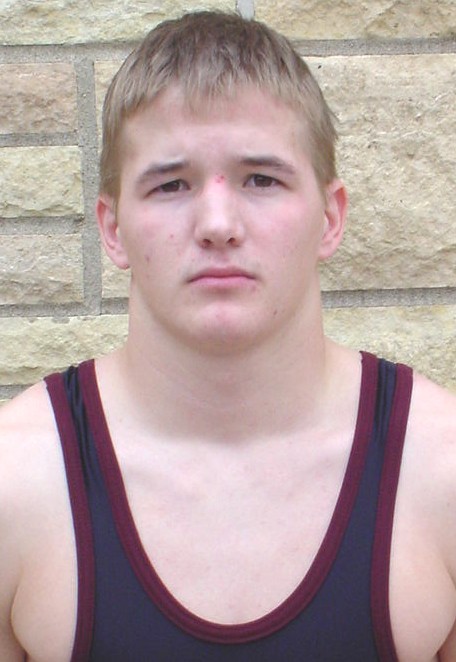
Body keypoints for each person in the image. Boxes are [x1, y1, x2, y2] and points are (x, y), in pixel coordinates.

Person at [1, 10, 455, 662]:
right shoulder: (16, 481)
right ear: (112, 228)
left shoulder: (440, 469)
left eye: (261, 179)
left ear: (331, 218)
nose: (217, 223)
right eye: (171, 184)